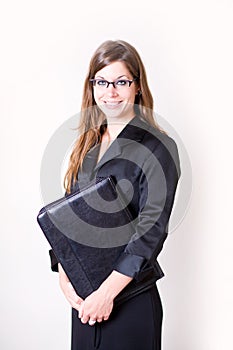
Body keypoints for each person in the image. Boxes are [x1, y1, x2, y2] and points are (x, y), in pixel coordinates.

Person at [49, 39, 180, 350]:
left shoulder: (157, 147)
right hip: (84, 303)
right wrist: (65, 276)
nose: (111, 91)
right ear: (92, 86)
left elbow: (150, 232)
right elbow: (70, 219)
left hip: (128, 300)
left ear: (136, 86)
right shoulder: (88, 147)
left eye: (121, 82)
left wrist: (106, 295)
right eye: (102, 82)